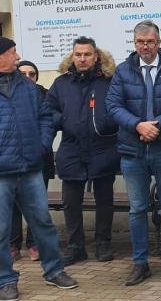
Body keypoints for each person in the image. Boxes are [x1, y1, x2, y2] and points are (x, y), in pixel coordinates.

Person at [106, 20, 161, 285]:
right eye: (141, 42)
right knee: (137, 209)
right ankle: (140, 263)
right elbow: (112, 105)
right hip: (133, 150)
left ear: (159, 42)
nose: (145, 46)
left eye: (150, 42)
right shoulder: (123, 71)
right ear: (134, 43)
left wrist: (158, 125)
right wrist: (137, 125)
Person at [0, 38, 79, 301]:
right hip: (1, 173)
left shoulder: (27, 87)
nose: (18, 56)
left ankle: (54, 271)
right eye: (12, 53)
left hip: (30, 168)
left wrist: (43, 144)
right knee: (1, 230)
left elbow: (46, 116)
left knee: (43, 223)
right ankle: (6, 281)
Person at [42, 37, 120, 266]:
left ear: (96, 56)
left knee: (104, 199)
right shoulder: (61, 83)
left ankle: (103, 243)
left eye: (87, 54)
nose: (82, 59)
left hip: (103, 149)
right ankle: (76, 246)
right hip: (72, 149)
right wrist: (64, 119)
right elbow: (48, 111)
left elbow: (118, 108)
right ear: (72, 57)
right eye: (78, 54)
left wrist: (107, 123)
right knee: (70, 201)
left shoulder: (109, 81)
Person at [9, 60, 51, 262]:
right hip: (9, 162)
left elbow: (48, 120)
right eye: (23, 73)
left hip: (37, 161)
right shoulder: (8, 92)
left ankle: (35, 244)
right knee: (12, 207)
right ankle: (13, 244)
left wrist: (42, 145)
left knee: (37, 209)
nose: (27, 77)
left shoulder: (43, 94)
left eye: (31, 74)